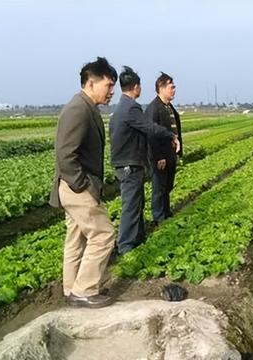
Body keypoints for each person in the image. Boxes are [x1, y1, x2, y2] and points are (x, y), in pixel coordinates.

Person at [49, 57, 117, 308]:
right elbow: (65, 155)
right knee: (103, 234)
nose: (111, 92)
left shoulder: (85, 106)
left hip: (74, 185)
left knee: (76, 237)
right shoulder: (78, 109)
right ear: (91, 83)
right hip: (76, 187)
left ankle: (71, 288)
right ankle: (84, 290)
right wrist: (83, 185)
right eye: (108, 85)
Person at [109, 66, 179, 255]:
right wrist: (170, 136)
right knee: (131, 205)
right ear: (136, 87)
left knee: (136, 202)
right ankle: (126, 246)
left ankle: (138, 238)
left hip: (127, 163)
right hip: (129, 164)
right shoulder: (131, 107)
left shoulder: (121, 106)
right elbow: (149, 128)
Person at [145, 72, 183, 224]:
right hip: (160, 157)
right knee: (159, 188)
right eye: (171, 87)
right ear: (161, 88)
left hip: (171, 154)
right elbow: (151, 135)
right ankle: (159, 218)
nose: (174, 90)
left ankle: (167, 213)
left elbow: (176, 132)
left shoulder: (169, 107)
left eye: (174, 87)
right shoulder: (154, 109)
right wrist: (159, 156)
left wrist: (179, 151)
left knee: (167, 186)